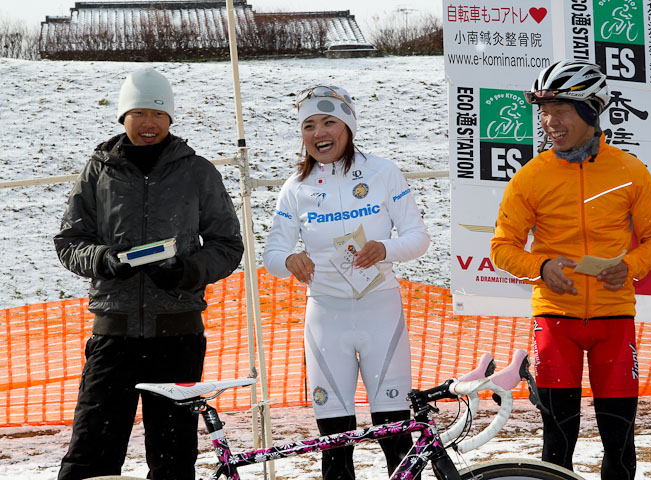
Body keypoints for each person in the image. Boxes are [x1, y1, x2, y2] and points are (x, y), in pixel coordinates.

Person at [54, 67, 244, 480]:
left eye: (158, 114)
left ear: (170, 119)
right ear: (123, 117)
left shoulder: (197, 172)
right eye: (138, 113)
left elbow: (228, 246)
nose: (148, 123)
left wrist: (185, 271)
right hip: (113, 337)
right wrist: (104, 259)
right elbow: (69, 242)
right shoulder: (99, 172)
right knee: (90, 457)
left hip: (177, 339)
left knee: (173, 459)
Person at [490, 60, 651, 480]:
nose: (549, 121)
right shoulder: (531, 176)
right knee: (557, 444)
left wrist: (629, 266)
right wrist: (542, 265)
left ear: (592, 111)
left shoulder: (629, 170)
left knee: (620, 442)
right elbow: (502, 248)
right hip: (556, 321)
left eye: (561, 110)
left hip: (614, 319)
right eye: (544, 111)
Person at [263, 85, 430, 479]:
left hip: (380, 311)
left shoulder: (383, 172)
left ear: (348, 126)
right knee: (335, 445)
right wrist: (291, 258)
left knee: (396, 437)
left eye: (329, 122)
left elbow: (419, 238)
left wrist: (384, 249)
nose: (320, 133)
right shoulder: (296, 188)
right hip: (326, 319)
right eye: (309, 125)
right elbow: (272, 255)